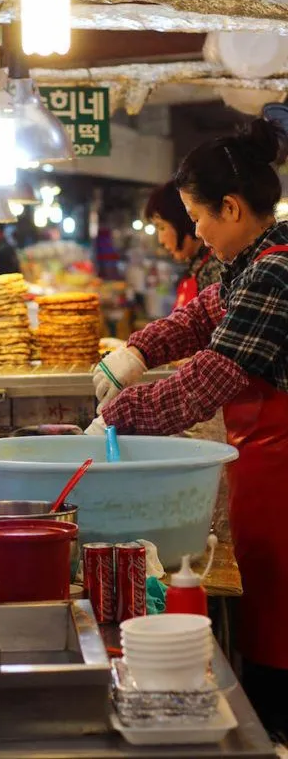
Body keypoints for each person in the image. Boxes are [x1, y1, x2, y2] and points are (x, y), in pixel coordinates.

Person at [87, 117, 288, 739]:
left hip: (284, 469)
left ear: (231, 207)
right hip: (262, 467)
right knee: (268, 608)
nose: (195, 230)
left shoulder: (279, 271)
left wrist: (114, 416)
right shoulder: (248, 263)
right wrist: (133, 355)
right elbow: (195, 319)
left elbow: (206, 385)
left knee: (283, 618)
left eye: (198, 217)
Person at [145, 180, 223, 307]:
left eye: (162, 227)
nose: (161, 240)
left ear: (182, 221)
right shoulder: (194, 267)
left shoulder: (214, 269)